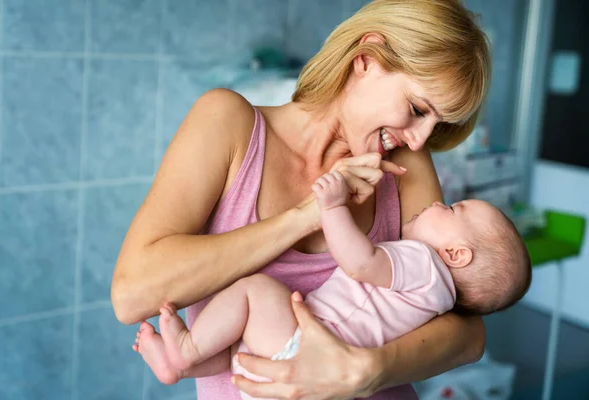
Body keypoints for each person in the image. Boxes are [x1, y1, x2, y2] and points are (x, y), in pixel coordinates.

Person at [111, 0, 492, 398]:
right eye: (416, 109)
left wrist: (366, 369)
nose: (419, 139)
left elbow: (468, 334)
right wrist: (305, 216)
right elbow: (131, 295)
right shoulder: (229, 124)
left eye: (437, 124)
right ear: (366, 58)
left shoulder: (406, 162)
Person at [131, 171, 531, 400]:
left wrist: (332, 207)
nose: (436, 204)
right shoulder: (438, 301)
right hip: (309, 369)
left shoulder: (425, 263)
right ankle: (179, 366)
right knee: (240, 342)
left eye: (450, 209)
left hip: (307, 345)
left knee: (255, 291)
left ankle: (186, 351)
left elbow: (361, 262)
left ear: (456, 255)